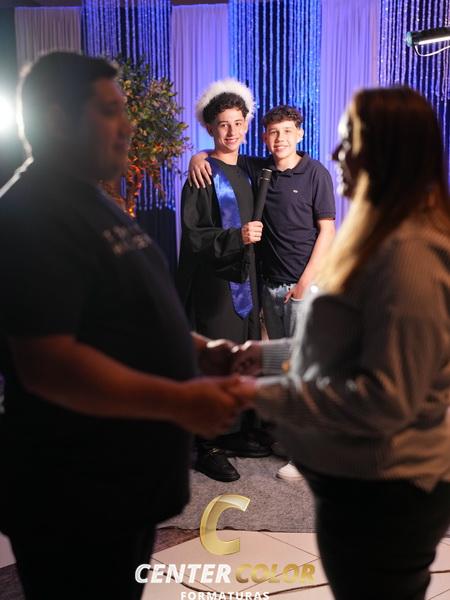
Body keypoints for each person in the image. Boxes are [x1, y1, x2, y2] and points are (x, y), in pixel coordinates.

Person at [0, 52, 246, 600]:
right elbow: (50, 365)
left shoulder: (93, 198)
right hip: (74, 489)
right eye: (110, 111)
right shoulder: (31, 214)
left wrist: (201, 350)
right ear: (59, 119)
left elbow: (122, 319)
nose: (129, 127)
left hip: (121, 482)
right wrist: (180, 401)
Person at [231, 86, 450, 600]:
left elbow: (384, 399)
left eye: (348, 141)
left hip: (388, 493)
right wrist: (255, 357)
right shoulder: (380, 235)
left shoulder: (410, 253)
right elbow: (345, 354)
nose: (335, 153)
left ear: (387, 152)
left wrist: (255, 393)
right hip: (358, 484)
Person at [189, 105, 336, 481]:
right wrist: (197, 156)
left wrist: (305, 284)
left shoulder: (315, 173)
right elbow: (224, 155)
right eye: (273, 132)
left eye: (287, 131)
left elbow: (328, 231)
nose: (280, 138)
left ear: (300, 134)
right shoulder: (260, 170)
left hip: (304, 286)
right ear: (264, 136)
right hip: (269, 286)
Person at [177, 79, 270, 483]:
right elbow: (194, 236)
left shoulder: (250, 168)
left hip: (247, 278)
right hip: (215, 283)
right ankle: (207, 445)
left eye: (237, 123)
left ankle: (232, 433)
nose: (231, 131)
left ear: (247, 124)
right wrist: (236, 236)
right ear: (210, 128)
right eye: (222, 124)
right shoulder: (202, 175)